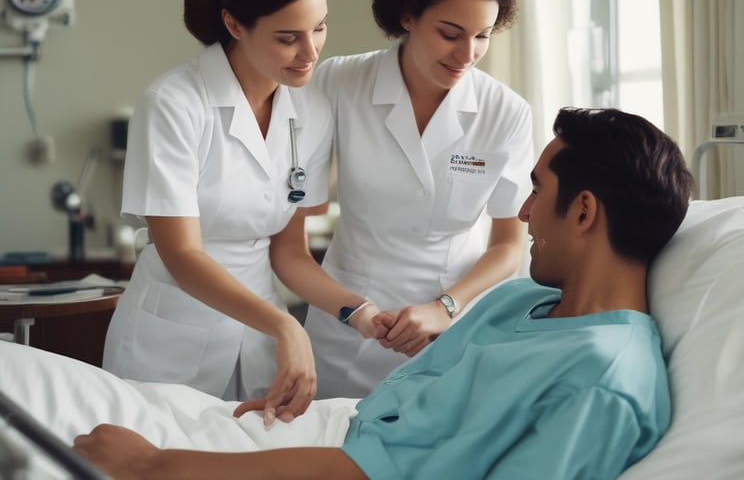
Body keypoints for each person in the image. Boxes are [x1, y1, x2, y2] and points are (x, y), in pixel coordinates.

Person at [0, 107, 694, 479]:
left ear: (583, 212)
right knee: (18, 378)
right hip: (326, 431)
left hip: (336, 466)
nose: (520, 216)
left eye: (537, 192)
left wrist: (161, 467)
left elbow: (378, 472)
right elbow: (386, 420)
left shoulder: (602, 381)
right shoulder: (521, 305)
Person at [102, 0, 373, 422]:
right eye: (288, 37)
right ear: (234, 25)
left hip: (259, 338)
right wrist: (285, 326)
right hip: (172, 336)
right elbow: (182, 254)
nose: (310, 53)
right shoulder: (174, 103)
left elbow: (288, 252)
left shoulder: (309, 109)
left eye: (319, 28)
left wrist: (360, 312)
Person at [304, 0, 536, 398]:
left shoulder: (505, 111)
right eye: (450, 32)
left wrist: (444, 307)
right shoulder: (340, 82)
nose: (467, 53)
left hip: (451, 325)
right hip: (348, 318)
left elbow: (509, 243)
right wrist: (358, 312)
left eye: (484, 35)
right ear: (408, 15)